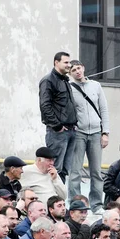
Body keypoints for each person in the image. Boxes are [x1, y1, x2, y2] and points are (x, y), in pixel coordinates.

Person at [67, 60, 109, 213]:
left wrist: (106, 132)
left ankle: (97, 204)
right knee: (75, 171)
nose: (77, 71)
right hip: (78, 133)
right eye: (73, 70)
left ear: (83, 68)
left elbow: (103, 109)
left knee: (96, 171)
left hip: (96, 132)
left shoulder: (95, 85)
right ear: (70, 73)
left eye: (78, 68)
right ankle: (75, 204)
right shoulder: (70, 88)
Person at [39, 51, 77, 183]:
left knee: (64, 170)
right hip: (58, 132)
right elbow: (45, 105)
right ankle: (52, 200)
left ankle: (59, 201)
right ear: (56, 62)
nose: (69, 65)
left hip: (71, 130)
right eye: (66, 62)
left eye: (69, 62)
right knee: (55, 169)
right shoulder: (48, 80)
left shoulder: (64, 80)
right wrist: (57, 125)